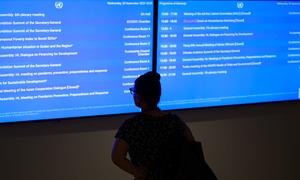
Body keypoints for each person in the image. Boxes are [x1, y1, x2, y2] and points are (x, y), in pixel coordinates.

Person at [111, 71, 195, 180]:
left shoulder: (132, 125)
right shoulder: (175, 122)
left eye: (134, 91)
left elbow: (117, 157)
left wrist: (137, 172)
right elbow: (192, 148)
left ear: (139, 97)